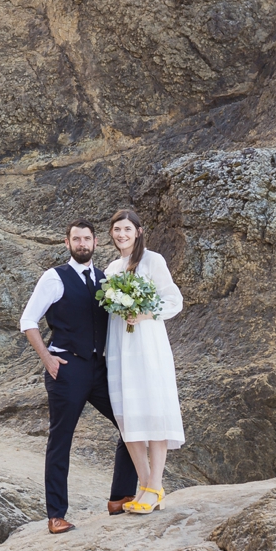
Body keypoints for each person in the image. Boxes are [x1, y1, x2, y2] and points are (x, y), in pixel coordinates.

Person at [19, 219, 141, 534]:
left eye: (87, 238)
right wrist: (47, 359)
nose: (82, 243)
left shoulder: (105, 279)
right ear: (67, 242)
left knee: (131, 424)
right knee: (61, 440)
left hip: (99, 369)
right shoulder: (53, 278)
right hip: (67, 368)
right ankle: (56, 515)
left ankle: (119, 496)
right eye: (77, 239)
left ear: (95, 243)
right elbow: (28, 320)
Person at [103, 208, 184, 515]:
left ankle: (155, 484)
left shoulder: (152, 260)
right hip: (120, 347)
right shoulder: (111, 269)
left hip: (147, 345)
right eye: (116, 229)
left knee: (152, 411)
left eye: (127, 229)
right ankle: (147, 485)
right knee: (128, 416)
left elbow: (174, 300)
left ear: (138, 231)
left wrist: (146, 312)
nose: (121, 234)